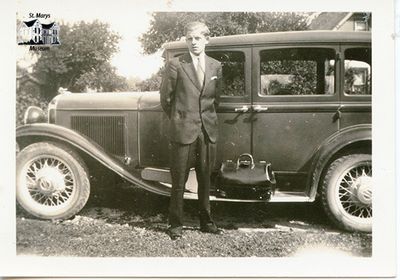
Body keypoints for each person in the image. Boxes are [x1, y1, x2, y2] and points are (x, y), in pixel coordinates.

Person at [160, 21, 222, 240]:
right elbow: (166, 100)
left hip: (207, 131)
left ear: (206, 39)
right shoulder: (176, 65)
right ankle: (175, 225)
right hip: (183, 131)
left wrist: (205, 120)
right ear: (186, 41)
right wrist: (181, 119)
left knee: (206, 179)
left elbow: (216, 100)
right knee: (179, 181)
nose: (194, 43)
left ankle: (207, 222)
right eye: (190, 38)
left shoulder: (215, 66)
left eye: (198, 38)